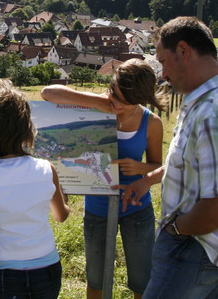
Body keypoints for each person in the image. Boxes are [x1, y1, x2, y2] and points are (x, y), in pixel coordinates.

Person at [120, 16, 218, 299]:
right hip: (210, 249)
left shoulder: (214, 114)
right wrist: (149, 179)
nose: (163, 75)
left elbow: (216, 209)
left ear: (184, 51)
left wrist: (174, 229)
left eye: (163, 61)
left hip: (193, 248)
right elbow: (194, 163)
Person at [41, 58, 167, 299]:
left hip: (136, 208)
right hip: (97, 207)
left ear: (139, 98)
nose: (115, 101)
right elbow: (48, 93)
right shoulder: (98, 105)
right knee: (96, 278)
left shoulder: (151, 123)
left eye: (123, 100)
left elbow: (157, 166)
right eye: (113, 92)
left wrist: (140, 167)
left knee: (142, 280)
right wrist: (98, 101)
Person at [0, 79, 71, 299]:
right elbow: (61, 216)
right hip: (48, 267)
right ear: (25, 127)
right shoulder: (46, 168)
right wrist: (65, 201)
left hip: (5, 271)